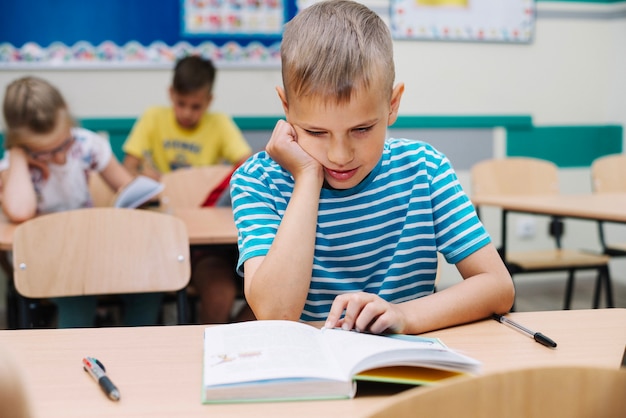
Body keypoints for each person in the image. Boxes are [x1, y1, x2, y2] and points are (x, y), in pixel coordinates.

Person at [230, 0, 515, 335]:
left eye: (361, 129)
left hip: (410, 368)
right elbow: (276, 312)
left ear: (392, 105)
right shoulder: (257, 181)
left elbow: (498, 287)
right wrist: (307, 176)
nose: (339, 155)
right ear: (286, 108)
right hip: (311, 374)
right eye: (316, 132)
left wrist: (404, 316)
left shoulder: (425, 170)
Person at [0, 76, 163, 328]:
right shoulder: (12, 167)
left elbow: (128, 189)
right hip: (45, 260)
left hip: (91, 250)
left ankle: (136, 355)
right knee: (77, 297)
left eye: (64, 143)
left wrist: (144, 190)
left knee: (149, 286)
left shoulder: (86, 145)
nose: (60, 156)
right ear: (21, 142)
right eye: (45, 151)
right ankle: (73, 363)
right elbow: (20, 211)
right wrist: (17, 156)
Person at [123, 55, 254, 324]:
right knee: (220, 292)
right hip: (166, 236)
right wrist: (142, 176)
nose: (187, 113)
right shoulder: (153, 117)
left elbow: (246, 164)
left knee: (242, 293)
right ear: (171, 95)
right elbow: (128, 167)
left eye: (196, 106)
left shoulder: (219, 123)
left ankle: (231, 344)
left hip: (212, 240)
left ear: (209, 101)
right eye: (180, 104)